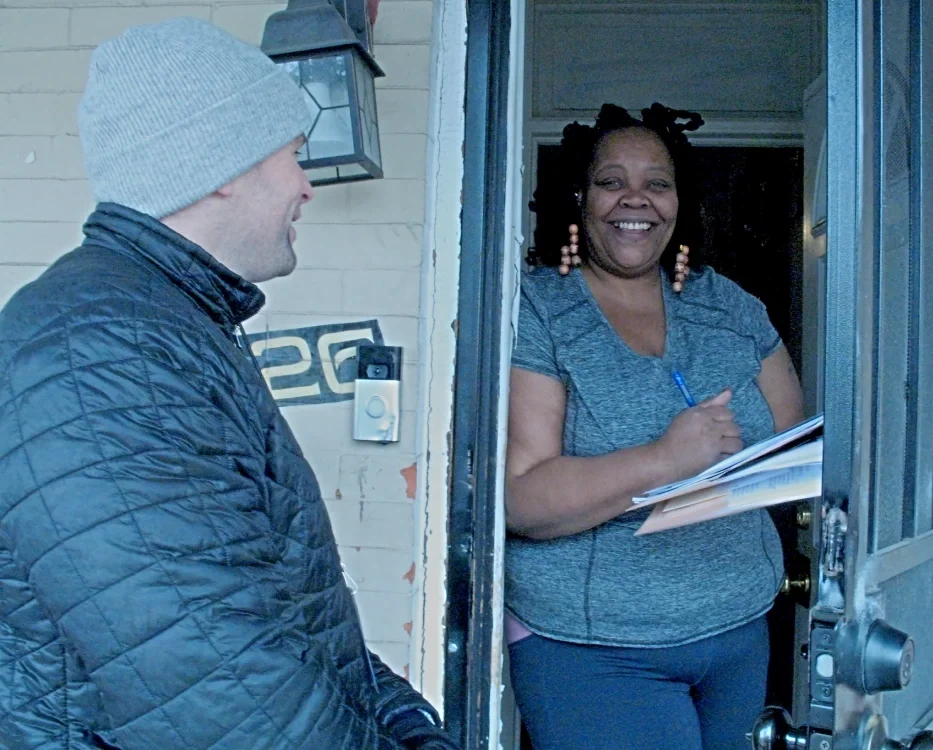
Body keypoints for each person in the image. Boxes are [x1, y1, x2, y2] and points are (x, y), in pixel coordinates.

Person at [0, 18, 456, 750]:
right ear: (219, 165)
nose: (307, 187)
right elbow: (227, 700)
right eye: (294, 157)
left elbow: (283, 617)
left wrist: (402, 720)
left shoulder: (159, 325)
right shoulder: (102, 357)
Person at [504, 103, 805, 750]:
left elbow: (787, 437)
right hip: (596, 646)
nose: (634, 199)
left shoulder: (727, 303)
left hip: (739, 628)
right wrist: (664, 460)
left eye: (657, 182)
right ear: (579, 198)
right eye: (611, 181)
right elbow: (523, 497)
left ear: (678, 201)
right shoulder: (540, 309)